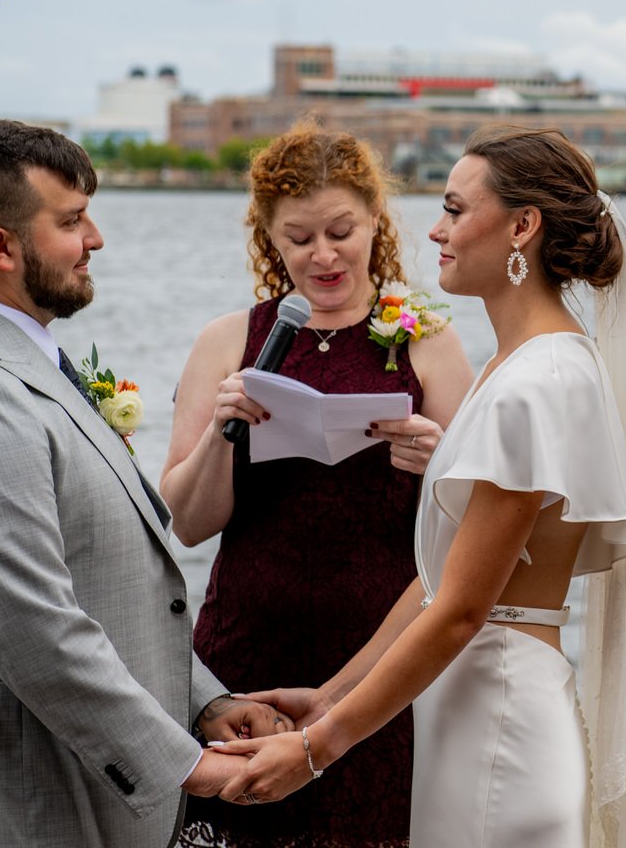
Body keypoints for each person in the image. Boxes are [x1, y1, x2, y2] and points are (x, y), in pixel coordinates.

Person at [212, 126, 626, 847]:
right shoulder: (517, 369)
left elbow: (461, 609)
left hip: (499, 714)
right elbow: (439, 580)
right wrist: (331, 697)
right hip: (475, 704)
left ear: (522, 226)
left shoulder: (536, 385)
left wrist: (315, 752)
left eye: (454, 209)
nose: (435, 229)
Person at [0, 120, 291, 848]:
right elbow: (37, 630)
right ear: (1, 246)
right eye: (71, 220)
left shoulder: (27, 362)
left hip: (75, 793)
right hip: (9, 805)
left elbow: (108, 581)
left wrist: (203, 701)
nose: (96, 238)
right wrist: (194, 768)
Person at [162, 120, 472, 847]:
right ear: (268, 237)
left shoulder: (427, 339)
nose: (324, 254)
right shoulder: (228, 340)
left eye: (341, 230)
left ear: (375, 222)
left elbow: (473, 529)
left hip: (379, 662)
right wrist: (220, 432)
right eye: (299, 238)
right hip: (245, 649)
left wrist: (442, 460)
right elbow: (187, 522)